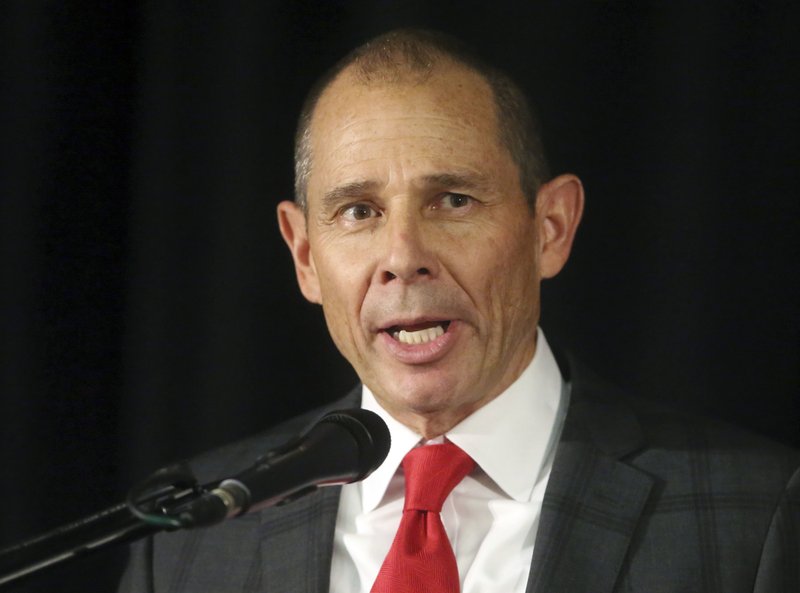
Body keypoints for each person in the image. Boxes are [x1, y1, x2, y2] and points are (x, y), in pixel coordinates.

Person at [118, 29, 799, 593]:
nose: (403, 256)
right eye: (359, 211)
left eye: (453, 201)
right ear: (303, 254)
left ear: (550, 228)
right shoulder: (192, 541)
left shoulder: (757, 518)